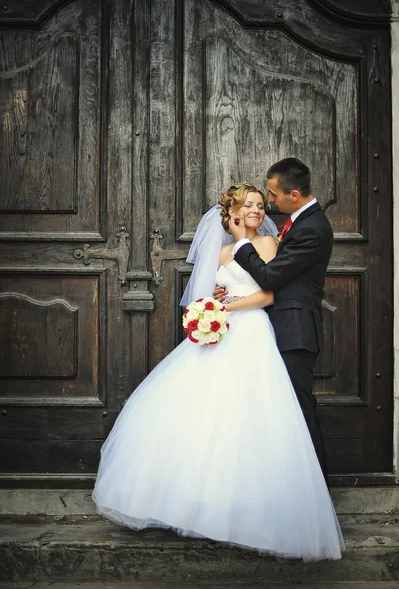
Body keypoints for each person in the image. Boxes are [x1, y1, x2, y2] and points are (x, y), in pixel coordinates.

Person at [92, 183, 344, 561]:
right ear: (234, 213)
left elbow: (269, 294)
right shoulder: (223, 251)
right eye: (250, 205)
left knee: (248, 418)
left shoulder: (268, 246)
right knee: (205, 417)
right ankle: (198, 507)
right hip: (221, 337)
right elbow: (208, 292)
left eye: (262, 205)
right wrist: (209, 308)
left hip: (255, 332)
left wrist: (231, 307)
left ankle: (247, 512)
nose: (259, 210)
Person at [215, 158, 332, 484]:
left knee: (299, 414)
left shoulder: (312, 228)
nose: (268, 202)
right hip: (274, 330)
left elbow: (269, 278)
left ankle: (314, 494)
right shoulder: (300, 221)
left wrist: (241, 244)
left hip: (295, 331)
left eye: (272, 195)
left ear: (293, 195)